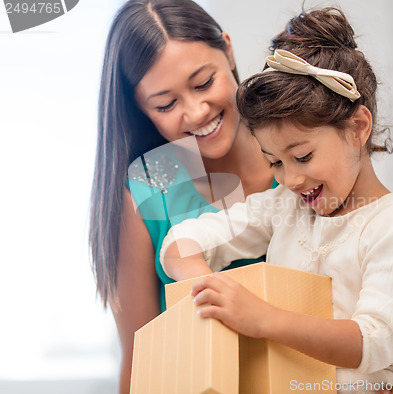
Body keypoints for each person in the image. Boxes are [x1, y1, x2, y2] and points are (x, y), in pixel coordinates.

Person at [161, 7, 393, 393]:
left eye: (303, 156)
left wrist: (262, 318)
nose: (290, 179)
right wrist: (208, 289)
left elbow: (373, 343)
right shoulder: (283, 208)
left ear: (359, 127)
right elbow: (180, 243)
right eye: (274, 161)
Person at [89, 1, 275, 392]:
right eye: (166, 104)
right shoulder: (147, 191)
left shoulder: (300, 155)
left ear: (227, 49)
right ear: (142, 110)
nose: (195, 112)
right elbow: (140, 364)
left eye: (204, 83)